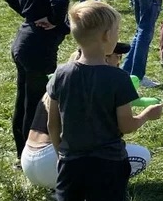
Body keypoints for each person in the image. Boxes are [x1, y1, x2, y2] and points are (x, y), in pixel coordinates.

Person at [24, 1, 163, 201]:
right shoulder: (118, 79)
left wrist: (62, 152)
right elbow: (125, 126)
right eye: (116, 31)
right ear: (105, 37)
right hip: (109, 166)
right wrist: (147, 116)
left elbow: (52, 122)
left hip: (71, 163)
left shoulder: (61, 74)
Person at [21, 41, 152, 190]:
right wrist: (146, 115)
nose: (119, 62)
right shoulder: (100, 84)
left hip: (29, 160)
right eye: (118, 56)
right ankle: (89, 187)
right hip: (56, 162)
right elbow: (121, 129)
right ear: (106, 57)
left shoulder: (63, 77)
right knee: (142, 156)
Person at [5, 0, 71, 165]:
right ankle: (27, 155)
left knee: (23, 97)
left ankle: (20, 152)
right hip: (38, 50)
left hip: (23, 44)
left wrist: (29, 16)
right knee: (34, 102)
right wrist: (53, 20)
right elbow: (61, 1)